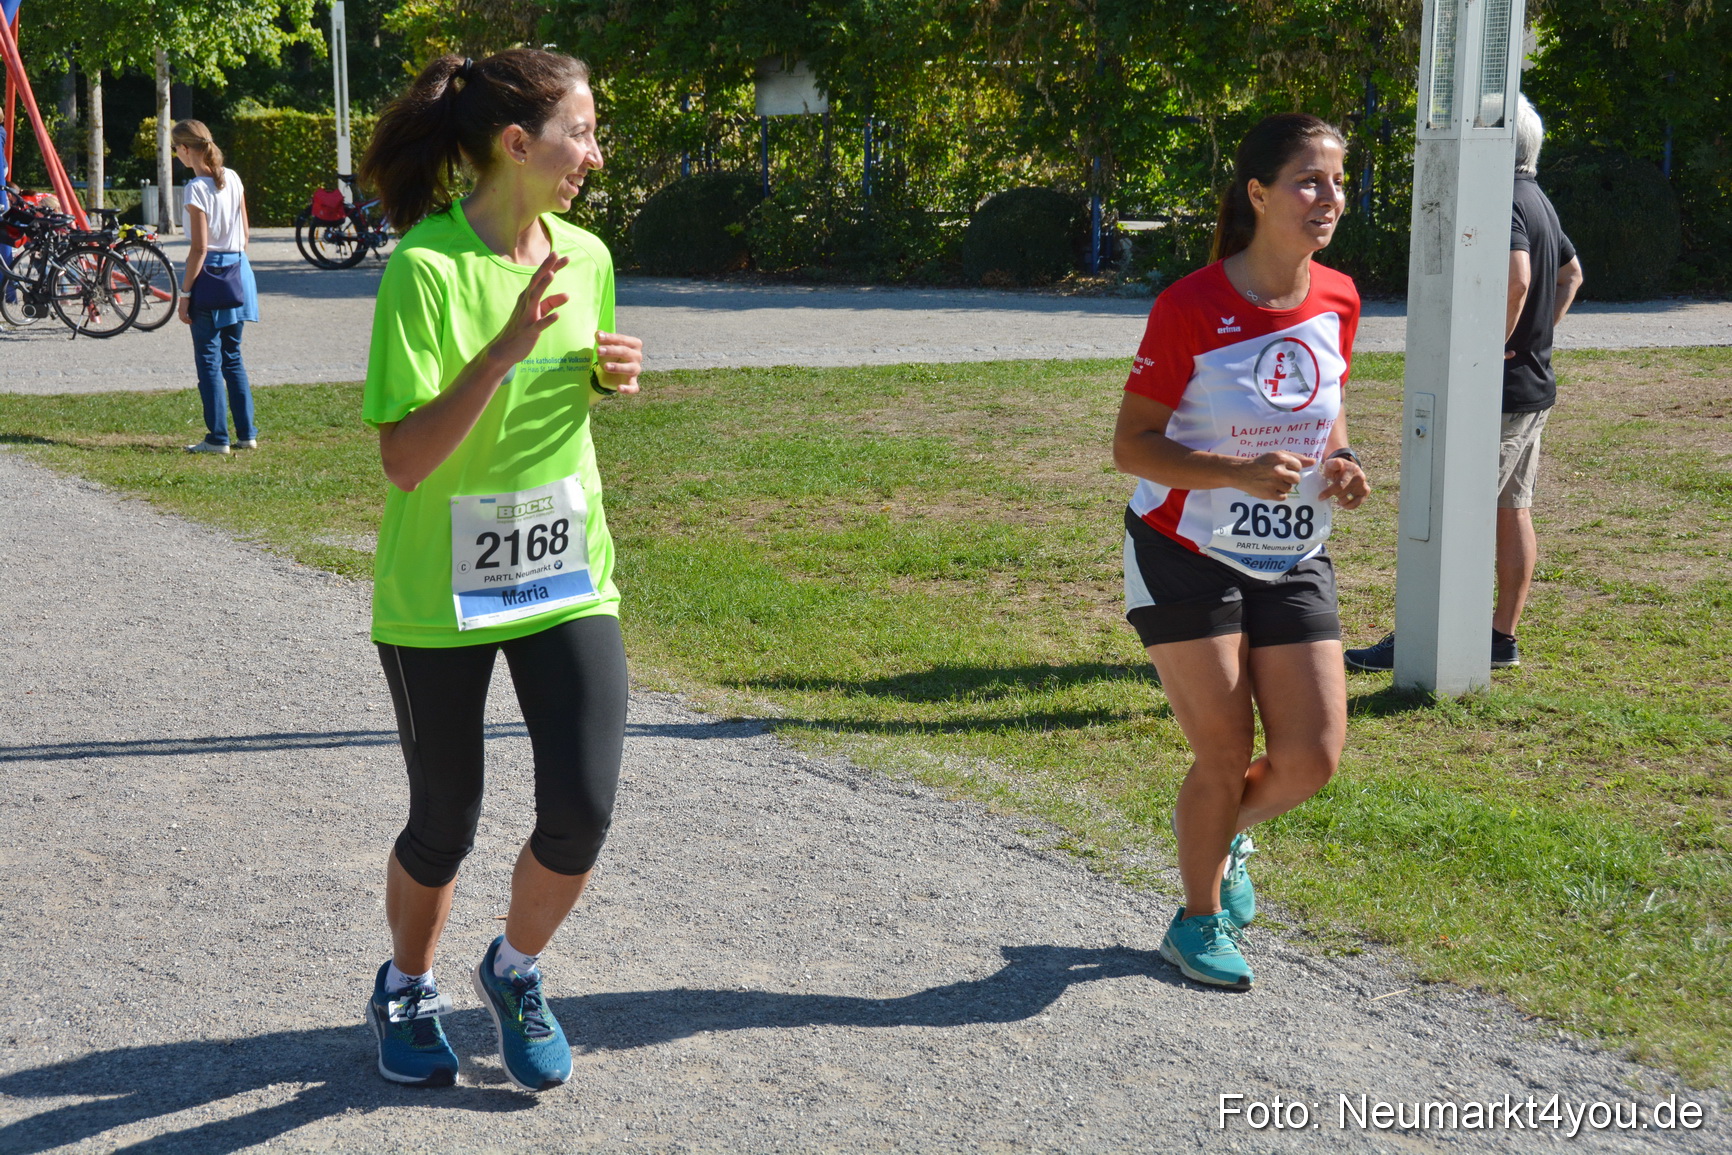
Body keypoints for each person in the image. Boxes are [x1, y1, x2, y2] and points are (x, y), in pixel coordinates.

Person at [357, 49, 645, 1092]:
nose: (594, 153)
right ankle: (406, 985)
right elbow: (405, 460)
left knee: (582, 808)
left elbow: (564, 386)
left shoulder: (587, 254)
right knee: (447, 822)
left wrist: (606, 376)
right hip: (440, 593)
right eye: (581, 131)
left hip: (566, 573)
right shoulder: (426, 270)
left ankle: (514, 968)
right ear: (517, 145)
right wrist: (501, 351)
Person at [1112, 113, 1370, 990]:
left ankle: (1226, 830)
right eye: (1308, 181)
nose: (1329, 198)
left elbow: (1327, 402)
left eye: (1337, 181)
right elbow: (1133, 446)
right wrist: (1233, 469)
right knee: (1223, 752)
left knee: (1312, 755)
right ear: (1258, 194)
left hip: (1292, 549)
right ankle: (1195, 919)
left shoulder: (1339, 296)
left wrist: (1341, 460)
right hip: (1183, 547)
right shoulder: (1187, 306)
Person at [1345, 94, 1582, 672]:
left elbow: (1518, 279)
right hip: (1533, 384)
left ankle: (1427, 637)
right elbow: (1571, 272)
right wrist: (1535, 336)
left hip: (1499, 392)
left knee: (1461, 512)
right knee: (1512, 508)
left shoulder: (1502, 198)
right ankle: (1501, 637)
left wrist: (1488, 348)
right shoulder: (1539, 198)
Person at [173, 120, 260, 455]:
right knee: (233, 355)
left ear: (185, 149)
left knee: (208, 358)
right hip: (239, 272)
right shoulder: (233, 178)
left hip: (210, 276)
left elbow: (199, 247)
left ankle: (217, 438)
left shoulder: (196, 188)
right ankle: (247, 433)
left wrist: (185, 295)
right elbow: (246, 235)